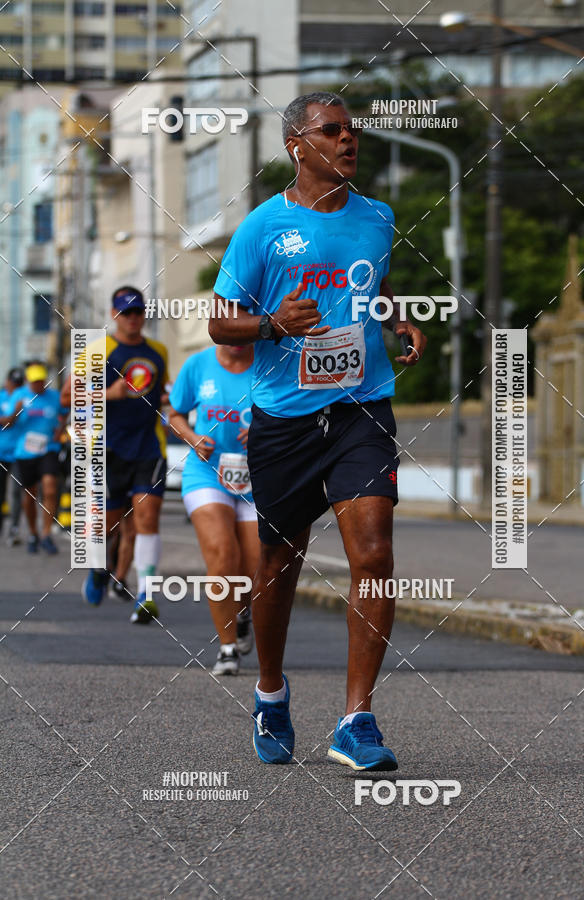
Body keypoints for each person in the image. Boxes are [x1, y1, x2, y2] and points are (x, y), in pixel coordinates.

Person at [208, 91, 427, 770]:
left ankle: (356, 721)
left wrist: (393, 320)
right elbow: (220, 322)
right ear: (297, 147)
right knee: (277, 566)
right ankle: (271, 692)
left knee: (374, 551)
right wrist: (274, 324)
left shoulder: (378, 218)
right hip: (285, 419)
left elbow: (370, 282)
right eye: (331, 132)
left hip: (361, 407)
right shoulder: (261, 230)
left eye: (351, 130)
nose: (347, 140)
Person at [60, 286, 170, 623]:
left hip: (149, 448)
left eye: (138, 312)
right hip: (107, 450)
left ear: (144, 315)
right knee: (109, 526)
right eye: (126, 313)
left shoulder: (159, 351)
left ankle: (146, 595)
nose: (133, 319)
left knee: (146, 519)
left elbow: (161, 393)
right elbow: (67, 397)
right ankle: (98, 568)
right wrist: (111, 392)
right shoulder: (98, 350)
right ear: (114, 315)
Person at [169, 343, 258, 675]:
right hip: (206, 472)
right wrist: (191, 437)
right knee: (223, 552)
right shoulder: (198, 365)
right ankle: (227, 648)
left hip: (256, 476)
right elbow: (174, 414)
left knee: (254, 568)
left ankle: (243, 612)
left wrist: (266, 431)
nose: (234, 335)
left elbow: (293, 411)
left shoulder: (270, 360)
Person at [7, 363, 68, 554]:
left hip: (48, 449)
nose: (39, 385)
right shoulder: (19, 395)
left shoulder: (55, 396)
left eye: (41, 381)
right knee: (29, 494)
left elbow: (65, 414)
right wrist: (16, 412)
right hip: (25, 452)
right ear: (29, 381)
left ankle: (46, 533)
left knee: (50, 488)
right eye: (35, 382)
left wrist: (60, 430)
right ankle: (33, 532)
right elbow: (9, 422)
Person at [0, 367, 25, 545]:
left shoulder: (25, 397)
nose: (15, 388)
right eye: (13, 383)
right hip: (1, 452)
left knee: (17, 493)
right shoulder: (2, 397)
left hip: (19, 453)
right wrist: (12, 415)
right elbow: (8, 422)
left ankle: (14, 530)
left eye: (19, 384)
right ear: (7, 382)